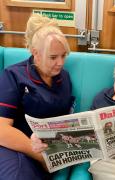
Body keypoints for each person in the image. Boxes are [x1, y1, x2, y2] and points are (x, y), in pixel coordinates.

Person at [0, 13, 74, 180]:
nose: (60, 63)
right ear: (36, 53)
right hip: (15, 148)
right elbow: (1, 130)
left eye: (64, 55)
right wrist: (40, 157)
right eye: (53, 57)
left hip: (46, 152)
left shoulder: (65, 78)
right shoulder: (13, 76)